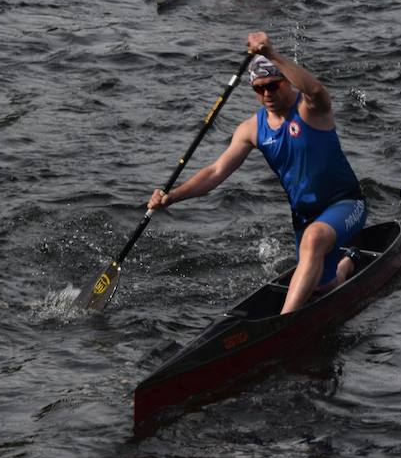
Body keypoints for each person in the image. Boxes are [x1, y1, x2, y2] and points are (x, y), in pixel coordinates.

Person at [147, 32, 366, 315]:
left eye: (273, 86)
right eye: (259, 89)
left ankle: (284, 324)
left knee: (313, 241)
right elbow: (215, 172)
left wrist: (272, 53)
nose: (266, 95)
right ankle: (348, 261)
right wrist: (172, 197)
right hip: (305, 216)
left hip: (347, 203)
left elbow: (316, 90)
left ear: (286, 80)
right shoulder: (251, 129)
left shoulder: (311, 109)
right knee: (322, 287)